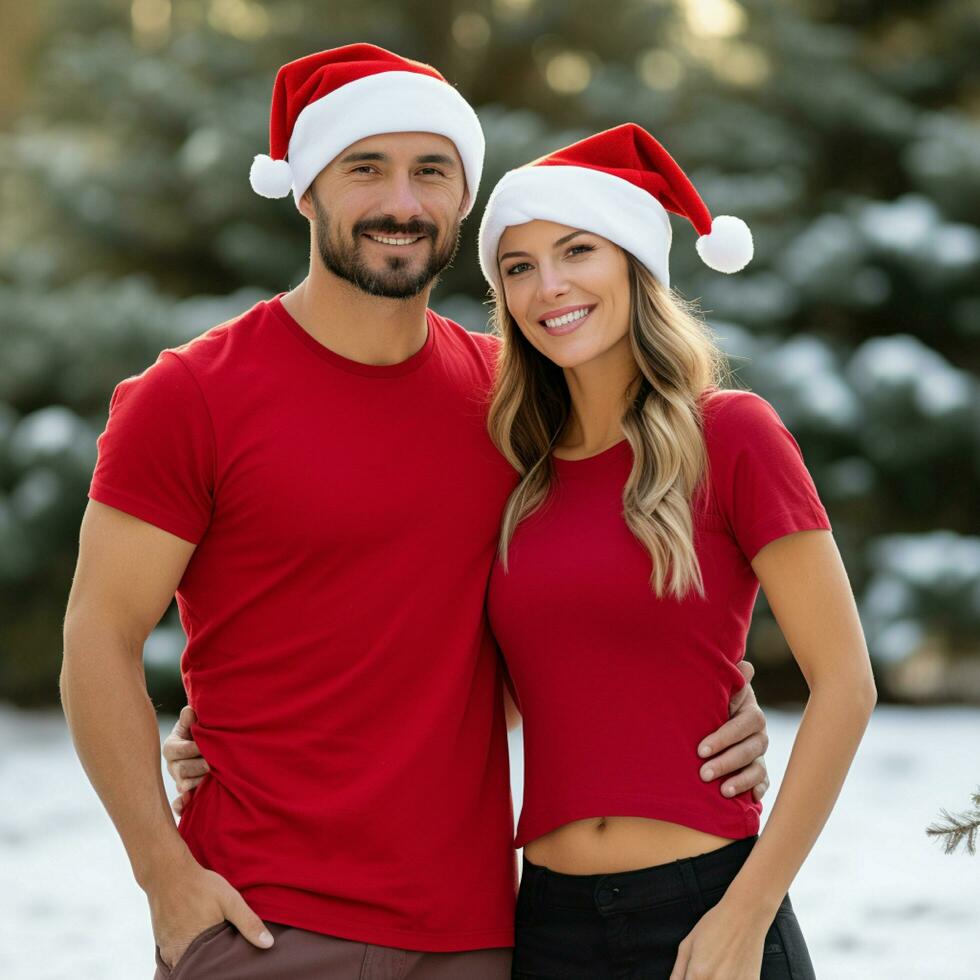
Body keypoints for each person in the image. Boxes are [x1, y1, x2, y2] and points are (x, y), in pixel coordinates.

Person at [60, 45, 771, 980]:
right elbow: (97, 638)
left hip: (474, 935)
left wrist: (702, 703)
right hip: (261, 922)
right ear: (306, 190)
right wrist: (165, 877)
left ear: (463, 199)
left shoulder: (513, 406)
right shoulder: (190, 396)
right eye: (366, 167)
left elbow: (567, 611)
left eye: (431, 171)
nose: (402, 201)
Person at [473, 123, 875, 978]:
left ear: (632, 262)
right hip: (546, 926)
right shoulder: (515, 475)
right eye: (518, 266)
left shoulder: (733, 435)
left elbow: (846, 684)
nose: (550, 286)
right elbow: (488, 697)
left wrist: (748, 910)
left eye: (576, 250)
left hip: (710, 908)